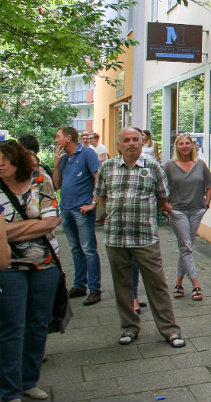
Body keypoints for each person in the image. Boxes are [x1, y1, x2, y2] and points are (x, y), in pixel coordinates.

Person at [86, 127, 185, 348]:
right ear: (119, 145)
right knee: (122, 286)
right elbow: (101, 197)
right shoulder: (107, 167)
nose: (131, 143)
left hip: (145, 238)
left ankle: (170, 330)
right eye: (126, 140)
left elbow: (162, 200)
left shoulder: (154, 168)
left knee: (157, 284)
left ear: (142, 143)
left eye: (135, 140)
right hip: (116, 238)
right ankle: (129, 327)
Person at [0, 141, 61, 402]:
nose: (0, 163)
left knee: (37, 325)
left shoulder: (40, 179)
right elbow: (43, 222)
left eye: (5, 158)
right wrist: (35, 223)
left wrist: (7, 230)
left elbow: (53, 221)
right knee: (11, 327)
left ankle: (29, 381)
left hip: (45, 263)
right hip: (7, 265)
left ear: (18, 161)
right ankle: (9, 390)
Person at [52, 126, 103, 306]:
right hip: (66, 208)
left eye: (58, 137)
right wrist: (56, 165)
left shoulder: (87, 153)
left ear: (68, 138)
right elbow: (56, 185)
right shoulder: (65, 158)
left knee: (88, 249)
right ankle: (79, 285)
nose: (56, 140)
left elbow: (98, 177)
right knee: (75, 249)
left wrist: (93, 202)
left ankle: (95, 288)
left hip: (82, 210)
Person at [162, 133, 211, 302]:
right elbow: (159, 188)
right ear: (176, 146)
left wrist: (206, 204)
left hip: (196, 211)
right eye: (181, 143)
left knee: (186, 247)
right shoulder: (169, 165)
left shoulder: (200, 164)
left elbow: (209, 185)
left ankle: (178, 284)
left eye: (187, 143)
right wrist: (167, 206)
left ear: (192, 146)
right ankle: (196, 285)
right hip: (178, 211)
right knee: (186, 247)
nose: (184, 146)